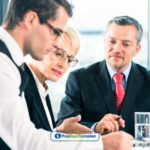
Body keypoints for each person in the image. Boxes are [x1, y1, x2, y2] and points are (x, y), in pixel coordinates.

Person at [0, 0, 133, 149]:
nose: (56, 42)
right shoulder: (3, 65)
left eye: (69, 59)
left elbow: (29, 136)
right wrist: (100, 143)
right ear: (31, 20)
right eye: (55, 32)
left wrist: (57, 133)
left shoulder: (13, 67)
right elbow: (26, 142)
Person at [57, 15, 150, 137]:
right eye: (112, 41)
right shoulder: (80, 79)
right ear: (104, 42)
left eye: (126, 44)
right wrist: (95, 127)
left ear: (137, 49)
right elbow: (62, 126)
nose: (116, 49)